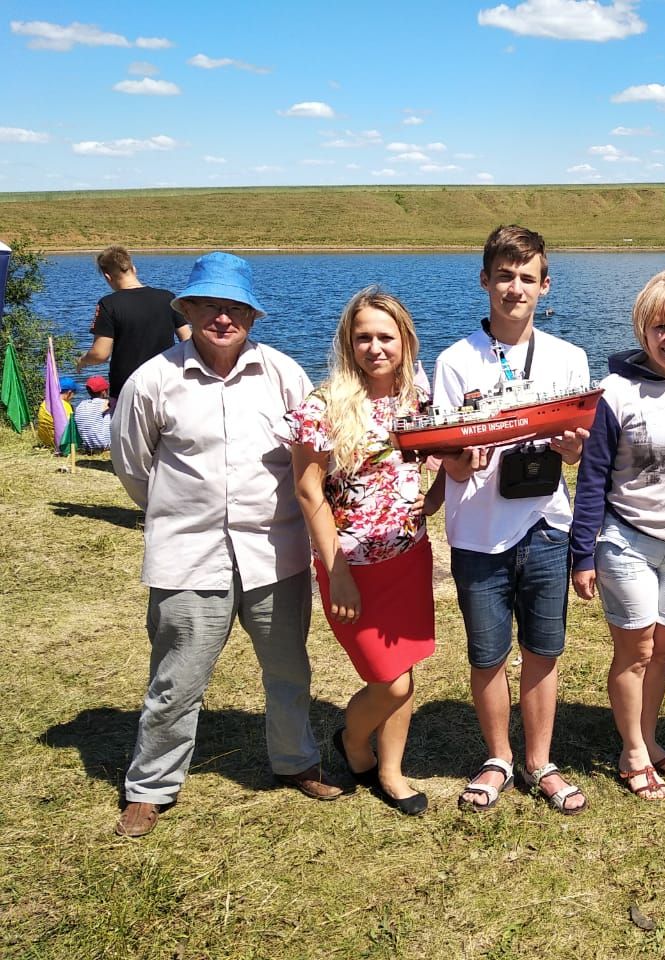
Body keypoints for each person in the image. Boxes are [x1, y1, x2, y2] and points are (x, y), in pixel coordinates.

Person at [110, 252, 344, 838]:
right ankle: (150, 786)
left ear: (252, 316)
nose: (222, 317)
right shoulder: (153, 381)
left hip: (275, 553)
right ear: (186, 310)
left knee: (289, 669)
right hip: (187, 556)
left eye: (235, 307)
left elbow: (312, 455)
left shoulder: (284, 375)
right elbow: (133, 468)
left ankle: (296, 762)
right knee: (176, 679)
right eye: (210, 306)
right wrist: (177, 511)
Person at [433, 224, 590, 815]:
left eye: (527, 278)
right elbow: (445, 461)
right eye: (504, 276)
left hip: (547, 525)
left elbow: (578, 450)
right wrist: (457, 457)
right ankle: (499, 756)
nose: (514, 288)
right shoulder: (452, 362)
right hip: (477, 531)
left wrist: (573, 450)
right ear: (484, 281)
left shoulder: (568, 358)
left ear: (544, 286)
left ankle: (540, 761)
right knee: (487, 654)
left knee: (544, 649)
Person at [570, 269, 665, 800]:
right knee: (635, 649)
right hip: (626, 538)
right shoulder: (615, 392)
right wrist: (582, 554)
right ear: (643, 329)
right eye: (660, 327)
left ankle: (649, 736)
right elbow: (591, 476)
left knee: (663, 650)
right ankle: (632, 752)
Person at [286, 287, 443, 817]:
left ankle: (392, 771)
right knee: (390, 680)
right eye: (363, 338)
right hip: (349, 565)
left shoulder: (417, 399)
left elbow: (430, 466)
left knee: (406, 668)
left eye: (385, 337)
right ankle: (353, 741)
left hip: (409, 557)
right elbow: (309, 491)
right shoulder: (323, 405)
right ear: (348, 343)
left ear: (405, 341)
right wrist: (338, 572)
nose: (375, 348)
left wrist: (435, 497)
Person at [76, 245, 191, 400]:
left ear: (107, 277)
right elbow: (188, 340)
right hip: (166, 385)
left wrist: (83, 360)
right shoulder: (167, 298)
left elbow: (100, 354)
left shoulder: (108, 304)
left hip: (127, 390)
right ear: (134, 269)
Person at [73, 374, 112, 453]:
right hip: (104, 445)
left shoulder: (81, 405)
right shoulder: (104, 403)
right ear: (104, 392)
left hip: (87, 446)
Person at [36, 375, 75, 448]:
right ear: (69, 392)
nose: (74, 396)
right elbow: (71, 428)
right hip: (60, 443)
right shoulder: (65, 406)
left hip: (45, 441)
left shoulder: (45, 403)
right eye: (74, 392)